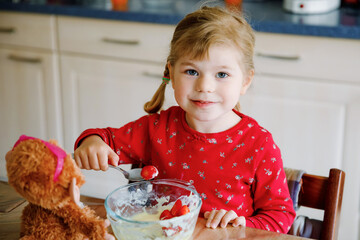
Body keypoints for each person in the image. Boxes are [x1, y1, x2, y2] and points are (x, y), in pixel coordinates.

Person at [74, 6, 296, 233]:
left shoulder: (259, 145)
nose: (205, 87)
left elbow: (280, 216)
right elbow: (106, 139)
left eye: (222, 74)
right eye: (191, 71)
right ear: (170, 72)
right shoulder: (157, 129)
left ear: (245, 81)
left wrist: (243, 224)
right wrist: (92, 143)